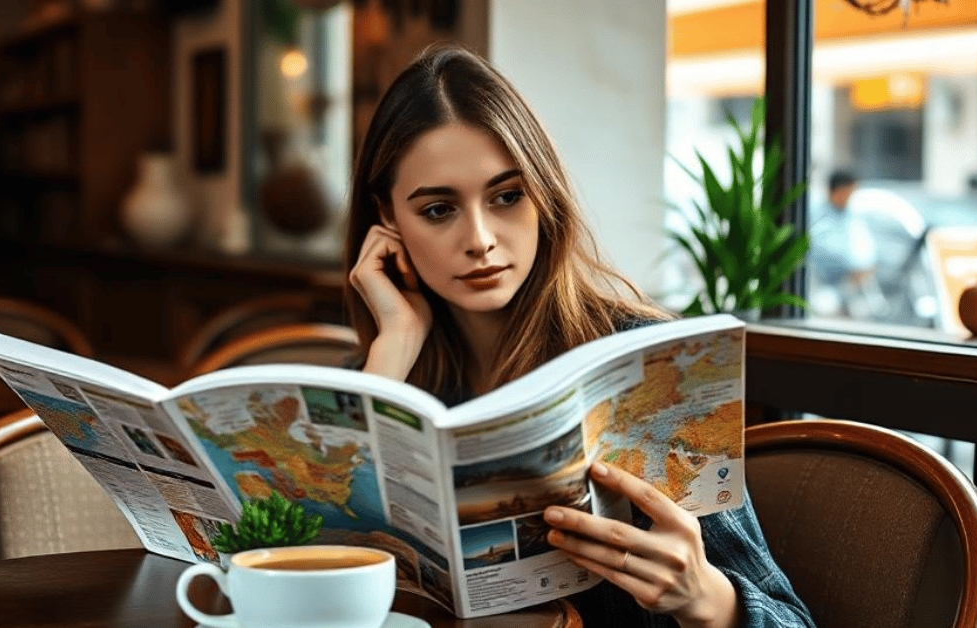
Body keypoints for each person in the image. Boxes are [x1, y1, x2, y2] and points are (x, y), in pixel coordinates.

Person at [343, 43, 814, 628]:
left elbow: (792, 621)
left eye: (508, 196)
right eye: (438, 209)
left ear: (544, 195)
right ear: (387, 218)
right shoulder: (376, 372)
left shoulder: (652, 370)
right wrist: (390, 353)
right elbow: (289, 585)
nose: (481, 238)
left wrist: (707, 600)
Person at [808, 170, 883, 318]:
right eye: (848, 192)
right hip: (823, 288)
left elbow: (866, 247)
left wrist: (863, 267)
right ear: (836, 190)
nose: (850, 197)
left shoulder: (852, 215)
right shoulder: (815, 214)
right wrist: (851, 267)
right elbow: (820, 248)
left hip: (854, 287)